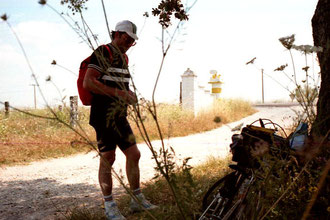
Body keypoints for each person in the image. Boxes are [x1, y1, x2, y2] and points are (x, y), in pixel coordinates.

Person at [83, 20, 157, 220]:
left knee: (134, 154)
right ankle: (110, 206)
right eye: (127, 39)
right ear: (117, 34)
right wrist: (119, 94)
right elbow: (88, 82)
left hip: (119, 115)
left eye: (132, 41)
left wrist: (128, 94)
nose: (129, 44)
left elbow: (118, 85)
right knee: (108, 158)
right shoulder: (103, 51)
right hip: (103, 116)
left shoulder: (123, 58)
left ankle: (136, 200)